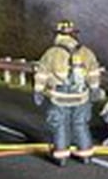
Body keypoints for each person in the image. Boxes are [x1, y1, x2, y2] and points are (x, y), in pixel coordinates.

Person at [33, 20, 103, 166]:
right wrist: (95, 89)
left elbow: (41, 74)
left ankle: (61, 156)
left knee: (59, 124)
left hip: (60, 97)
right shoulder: (86, 52)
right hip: (81, 96)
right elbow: (94, 72)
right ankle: (85, 155)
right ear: (74, 34)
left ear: (58, 34)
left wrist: (38, 91)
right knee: (80, 124)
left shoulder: (51, 53)